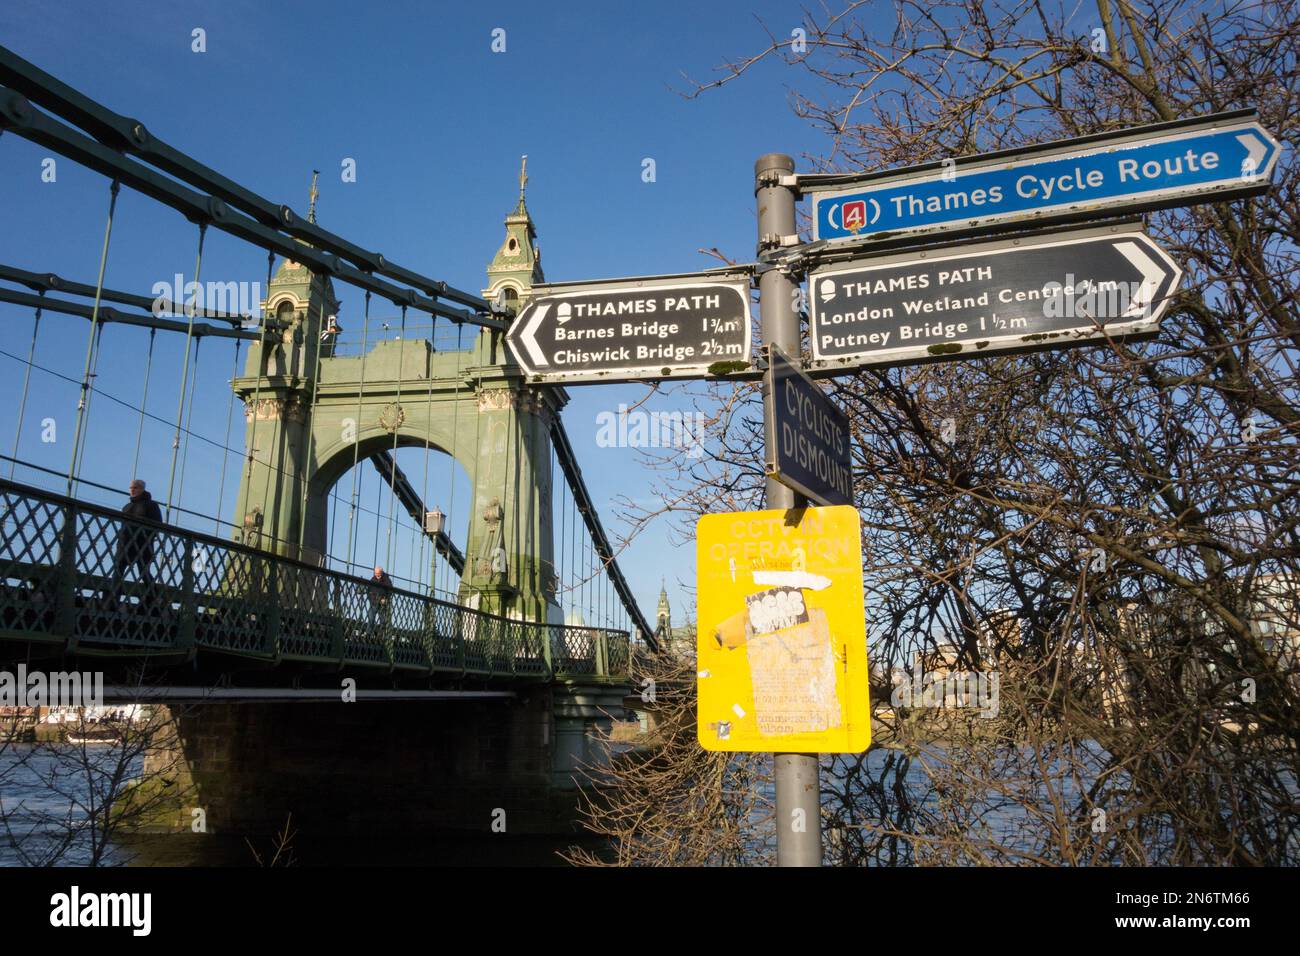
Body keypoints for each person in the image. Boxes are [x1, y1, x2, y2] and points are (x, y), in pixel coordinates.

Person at [109, 479, 162, 606]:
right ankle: (114, 599)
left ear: (142, 489)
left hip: (142, 544)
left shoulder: (151, 505)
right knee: (118, 569)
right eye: (131, 487)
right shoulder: (126, 507)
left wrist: (146, 538)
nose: (132, 489)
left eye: (136, 487)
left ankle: (152, 598)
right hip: (124, 543)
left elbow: (158, 525)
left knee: (143, 572)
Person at [367, 565, 394, 638]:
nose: (377, 575)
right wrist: (370, 599)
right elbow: (368, 590)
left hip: (382, 603)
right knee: (371, 619)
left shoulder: (387, 580)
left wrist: (386, 599)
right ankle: (368, 634)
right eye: (376, 573)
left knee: (383, 621)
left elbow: (390, 591)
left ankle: (381, 635)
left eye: (378, 573)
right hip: (374, 602)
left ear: (381, 572)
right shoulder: (373, 579)